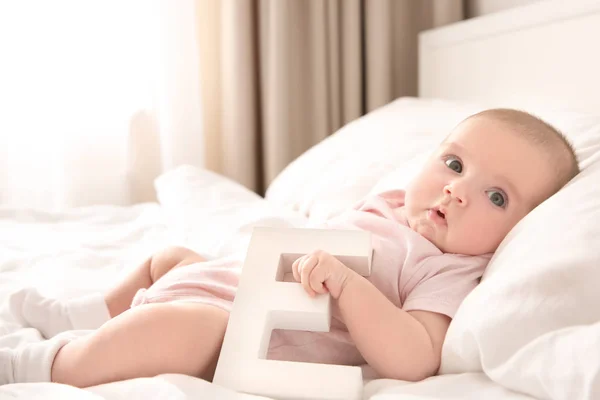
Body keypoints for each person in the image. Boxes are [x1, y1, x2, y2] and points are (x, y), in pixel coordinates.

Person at [1, 109, 580, 388]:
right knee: (167, 257)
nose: (457, 190)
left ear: (520, 228)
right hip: (229, 280)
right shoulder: (390, 204)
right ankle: (79, 314)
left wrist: (351, 289)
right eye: (453, 163)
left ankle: (44, 364)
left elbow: (415, 355)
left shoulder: (447, 271)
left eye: (496, 196)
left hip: (241, 329)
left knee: (176, 330)